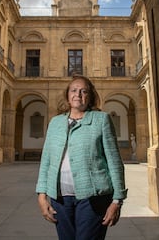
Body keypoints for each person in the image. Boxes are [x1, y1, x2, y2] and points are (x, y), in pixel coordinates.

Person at [36, 75, 127, 240]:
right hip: (60, 200)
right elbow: (46, 161)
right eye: (74, 90)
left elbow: (114, 162)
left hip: (94, 198)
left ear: (90, 96)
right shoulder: (55, 123)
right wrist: (42, 195)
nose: (78, 94)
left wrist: (117, 200)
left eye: (84, 91)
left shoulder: (101, 120)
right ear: (67, 95)